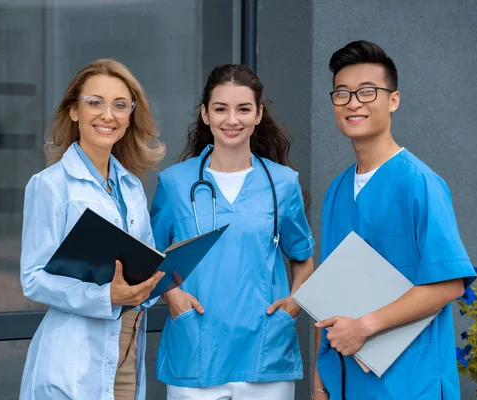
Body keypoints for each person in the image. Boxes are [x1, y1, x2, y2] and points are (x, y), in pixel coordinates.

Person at [312, 40, 477, 400]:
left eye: (367, 91)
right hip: (344, 381)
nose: (353, 102)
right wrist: (319, 386)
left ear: (393, 100)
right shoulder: (337, 191)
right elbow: (326, 294)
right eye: (342, 93)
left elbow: (450, 284)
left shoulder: (419, 183)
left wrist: (364, 327)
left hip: (410, 382)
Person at [150, 64, 315, 400]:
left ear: (258, 115)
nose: (232, 120)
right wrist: (171, 295)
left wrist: (294, 303)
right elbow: (151, 258)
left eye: (243, 109)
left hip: (264, 353)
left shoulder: (282, 183)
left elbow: (303, 259)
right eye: (221, 109)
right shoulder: (175, 183)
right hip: (195, 350)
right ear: (205, 114)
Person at [19, 59, 166, 400]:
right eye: (95, 102)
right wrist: (105, 297)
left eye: (119, 105)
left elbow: (142, 264)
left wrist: (160, 278)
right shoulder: (51, 186)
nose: (107, 115)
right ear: (74, 111)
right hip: (72, 360)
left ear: (131, 116)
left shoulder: (131, 186)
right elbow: (34, 278)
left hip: (127, 350)